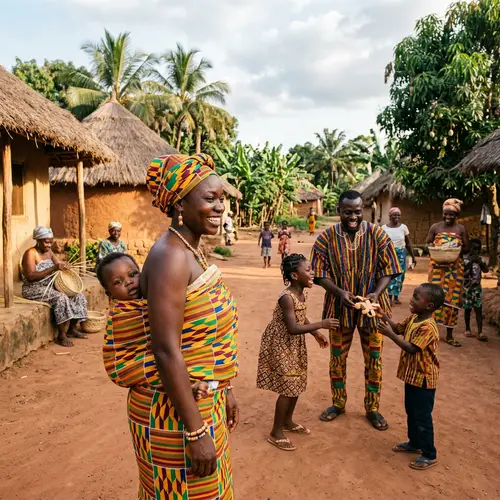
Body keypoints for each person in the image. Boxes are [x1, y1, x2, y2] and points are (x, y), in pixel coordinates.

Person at [122, 153, 239, 499]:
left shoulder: (190, 250)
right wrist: (195, 431)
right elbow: (166, 349)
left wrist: (224, 387)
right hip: (173, 413)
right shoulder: (170, 256)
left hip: (200, 399)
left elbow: (205, 337)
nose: (219, 207)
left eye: (222, 199)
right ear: (179, 205)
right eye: (209, 199)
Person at [311, 190, 402, 430]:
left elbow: (390, 268)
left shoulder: (377, 235)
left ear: (364, 209)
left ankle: (372, 408)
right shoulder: (326, 238)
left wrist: (377, 293)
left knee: (374, 360)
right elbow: (319, 274)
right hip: (338, 311)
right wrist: (340, 292)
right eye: (347, 212)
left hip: (372, 311)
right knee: (337, 360)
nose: (353, 217)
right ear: (339, 211)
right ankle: (338, 404)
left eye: (357, 211)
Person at [97, 252, 210, 399]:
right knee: (164, 360)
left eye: (133, 274)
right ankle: (187, 384)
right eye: (118, 282)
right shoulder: (121, 316)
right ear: (109, 294)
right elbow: (123, 359)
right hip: (140, 372)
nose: (129, 282)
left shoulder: (157, 299)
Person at [256, 254, 337, 451]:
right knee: (288, 386)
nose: (312, 273)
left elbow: (301, 316)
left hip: (294, 344)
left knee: (297, 382)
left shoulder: (302, 293)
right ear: (294, 275)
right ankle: (276, 432)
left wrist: (316, 332)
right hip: (281, 343)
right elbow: (292, 327)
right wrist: (322, 324)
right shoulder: (287, 297)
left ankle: (287, 421)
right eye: (308, 270)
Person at [379, 283, 445, 471]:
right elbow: (398, 328)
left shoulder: (428, 327)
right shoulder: (415, 318)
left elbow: (411, 348)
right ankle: (414, 443)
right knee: (411, 411)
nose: (412, 299)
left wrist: (389, 334)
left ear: (429, 306)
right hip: (413, 377)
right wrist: (384, 317)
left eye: (416, 297)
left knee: (422, 416)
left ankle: (429, 454)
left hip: (424, 379)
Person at [21, 226, 88, 347]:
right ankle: (61, 336)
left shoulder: (49, 252)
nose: (48, 245)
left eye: (50, 242)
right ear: (38, 240)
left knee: (78, 295)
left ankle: (71, 329)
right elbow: (30, 276)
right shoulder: (30, 253)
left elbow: (58, 265)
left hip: (51, 286)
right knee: (60, 298)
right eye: (46, 242)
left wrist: (64, 266)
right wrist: (53, 268)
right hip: (33, 288)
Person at [426, 198, 469, 347]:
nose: (448, 217)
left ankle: (449, 335)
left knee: (452, 301)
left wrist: (454, 248)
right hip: (437, 269)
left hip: (454, 270)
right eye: (446, 214)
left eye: (452, 215)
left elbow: (467, 249)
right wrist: (438, 249)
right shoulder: (435, 227)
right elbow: (428, 243)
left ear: (456, 216)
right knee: (433, 298)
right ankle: (431, 333)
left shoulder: (461, 229)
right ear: (442, 213)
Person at [382, 207, 417, 305]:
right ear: (390, 216)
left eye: (398, 215)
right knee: (390, 274)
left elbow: (408, 243)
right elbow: (380, 243)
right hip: (388, 254)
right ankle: (389, 297)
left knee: (400, 275)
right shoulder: (384, 228)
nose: (397, 217)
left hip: (401, 253)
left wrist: (413, 257)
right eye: (394, 215)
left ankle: (396, 297)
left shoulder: (403, 227)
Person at [463, 238, 489, 341]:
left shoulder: (480, 259)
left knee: (478, 309)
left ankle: (480, 332)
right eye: (474, 249)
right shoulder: (465, 260)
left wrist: (479, 262)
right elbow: (463, 273)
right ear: (470, 249)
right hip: (467, 289)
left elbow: (486, 270)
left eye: (478, 249)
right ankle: (468, 329)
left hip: (477, 289)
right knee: (467, 309)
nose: (476, 251)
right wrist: (470, 263)